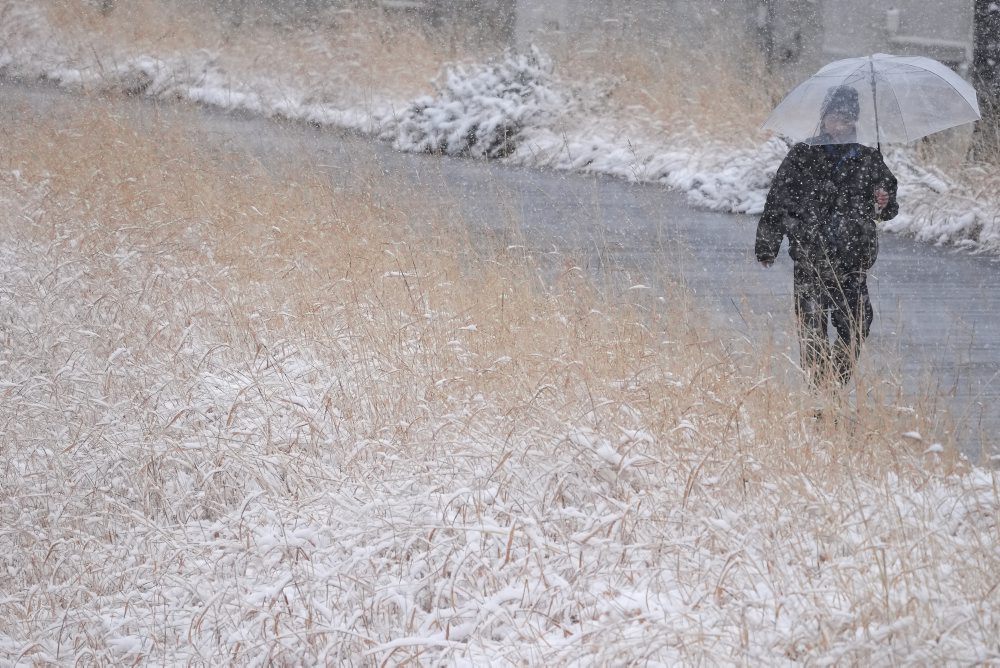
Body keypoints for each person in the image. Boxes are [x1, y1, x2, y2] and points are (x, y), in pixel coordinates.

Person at [755, 85, 898, 388]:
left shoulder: (868, 158)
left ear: (855, 121)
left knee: (857, 325)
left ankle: (835, 381)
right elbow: (778, 200)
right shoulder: (803, 155)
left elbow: (886, 207)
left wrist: (884, 200)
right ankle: (819, 390)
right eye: (835, 117)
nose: (840, 124)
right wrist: (768, 245)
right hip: (811, 257)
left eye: (847, 118)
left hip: (853, 259)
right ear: (824, 118)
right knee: (812, 329)